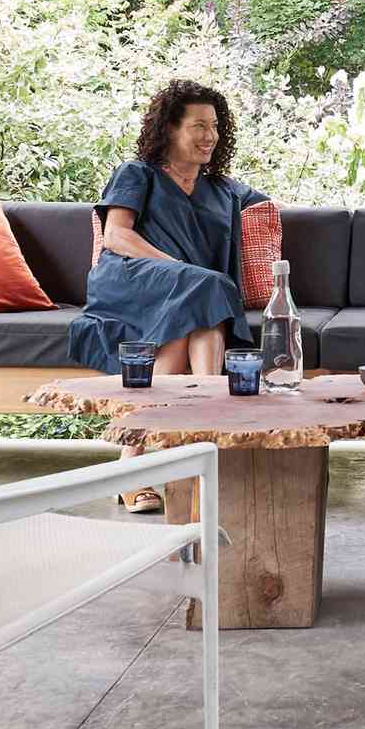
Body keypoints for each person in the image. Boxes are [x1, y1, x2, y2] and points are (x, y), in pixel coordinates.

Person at [69, 79, 267, 510]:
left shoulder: (224, 191)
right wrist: (175, 267)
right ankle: (203, 439)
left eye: (215, 126)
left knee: (192, 323)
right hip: (132, 279)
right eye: (198, 125)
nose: (209, 136)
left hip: (193, 295)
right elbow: (118, 237)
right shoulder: (136, 174)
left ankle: (133, 464)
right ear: (169, 130)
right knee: (207, 289)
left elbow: (267, 211)